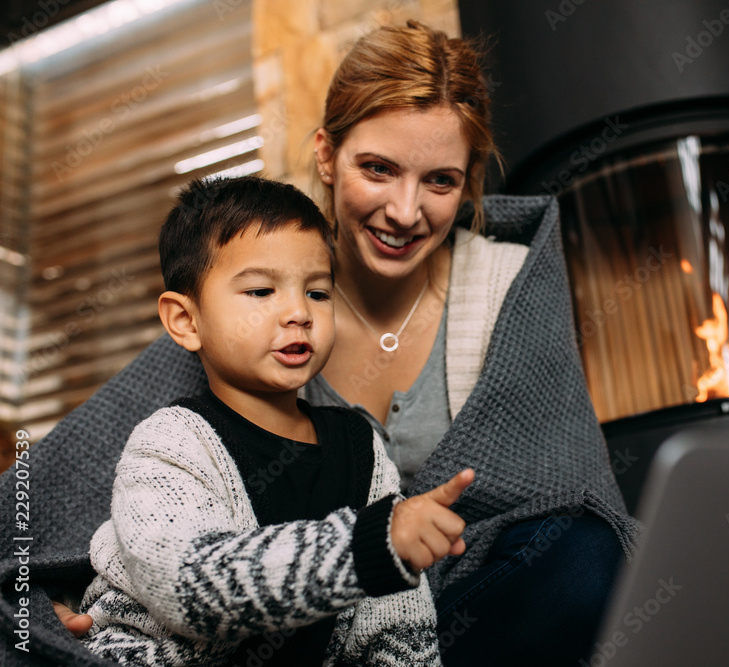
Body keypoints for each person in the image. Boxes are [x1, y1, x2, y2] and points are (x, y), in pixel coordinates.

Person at [0, 21, 639, 666]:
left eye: (440, 181)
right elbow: (59, 516)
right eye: (378, 169)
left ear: (469, 180)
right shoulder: (240, 312)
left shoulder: (508, 286)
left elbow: (569, 497)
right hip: (269, 620)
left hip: (456, 612)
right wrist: (32, 607)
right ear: (327, 156)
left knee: (584, 560)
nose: (405, 211)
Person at [78, 175, 473, 666]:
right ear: (186, 320)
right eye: (262, 290)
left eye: (318, 293)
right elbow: (190, 588)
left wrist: (387, 554)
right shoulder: (171, 442)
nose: (298, 313)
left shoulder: (359, 447)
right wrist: (371, 546)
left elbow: (395, 625)